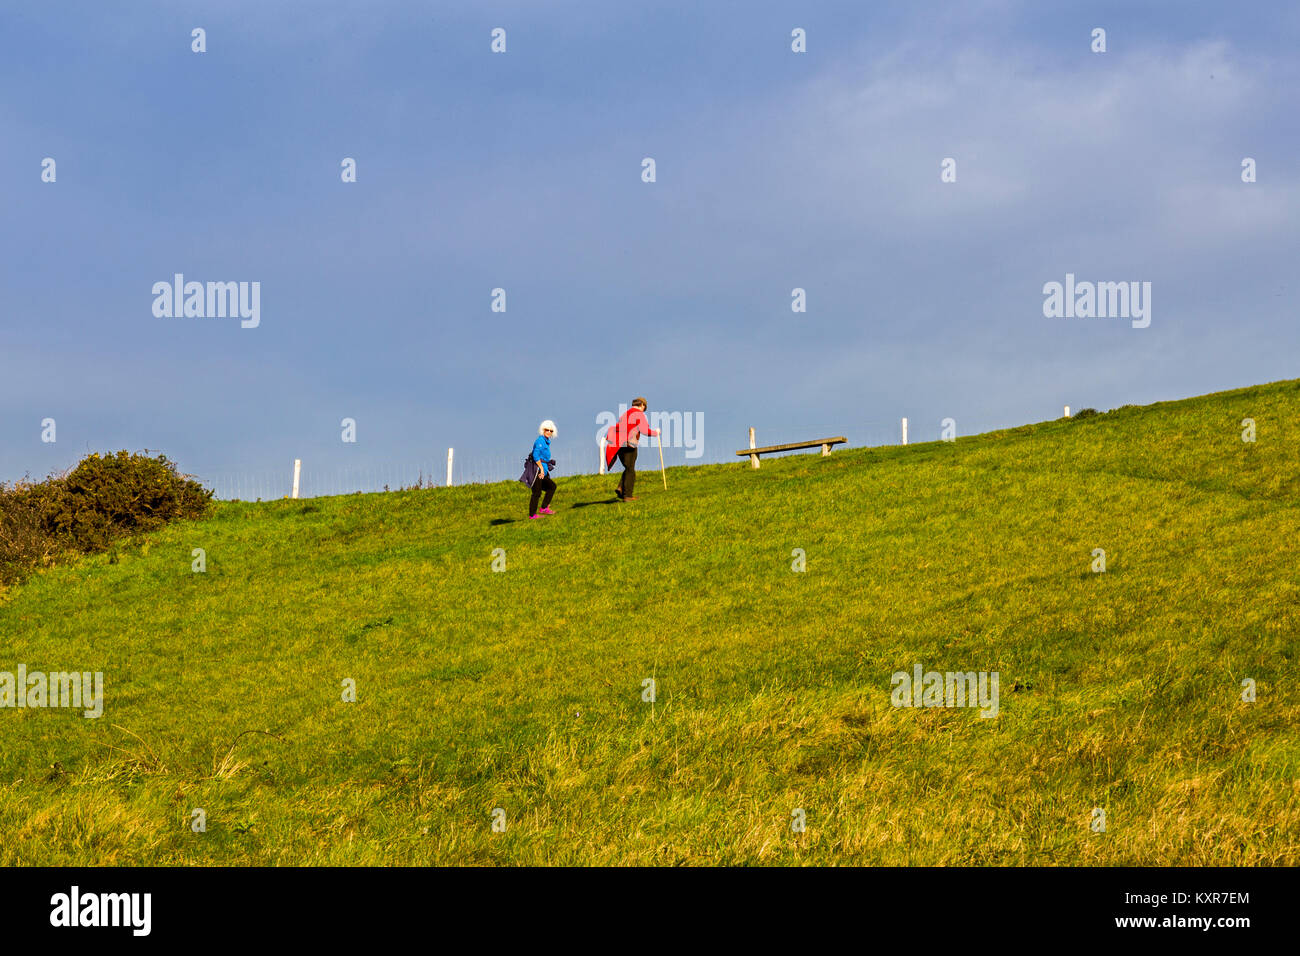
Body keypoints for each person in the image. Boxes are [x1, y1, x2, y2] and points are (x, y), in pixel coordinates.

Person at [604, 398, 659, 501]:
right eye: (644, 407)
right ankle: (627, 495)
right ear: (642, 404)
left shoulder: (625, 414)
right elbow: (644, 430)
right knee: (631, 470)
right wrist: (656, 433)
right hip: (629, 443)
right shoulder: (638, 414)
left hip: (618, 444)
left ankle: (621, 488)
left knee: (628, 467)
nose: (644, 410)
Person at [526, 420, 557, 519]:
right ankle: (533, 515)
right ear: (542, 430)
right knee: (537, 492)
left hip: (543, 469)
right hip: (537, 470)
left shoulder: (546, 441)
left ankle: (544, 507)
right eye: (547, 430)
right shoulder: (540, 441)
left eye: (551, 431)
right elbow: (535, 455)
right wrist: (541, 470)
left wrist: (545, 469)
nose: (549, 432)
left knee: (550, 487)